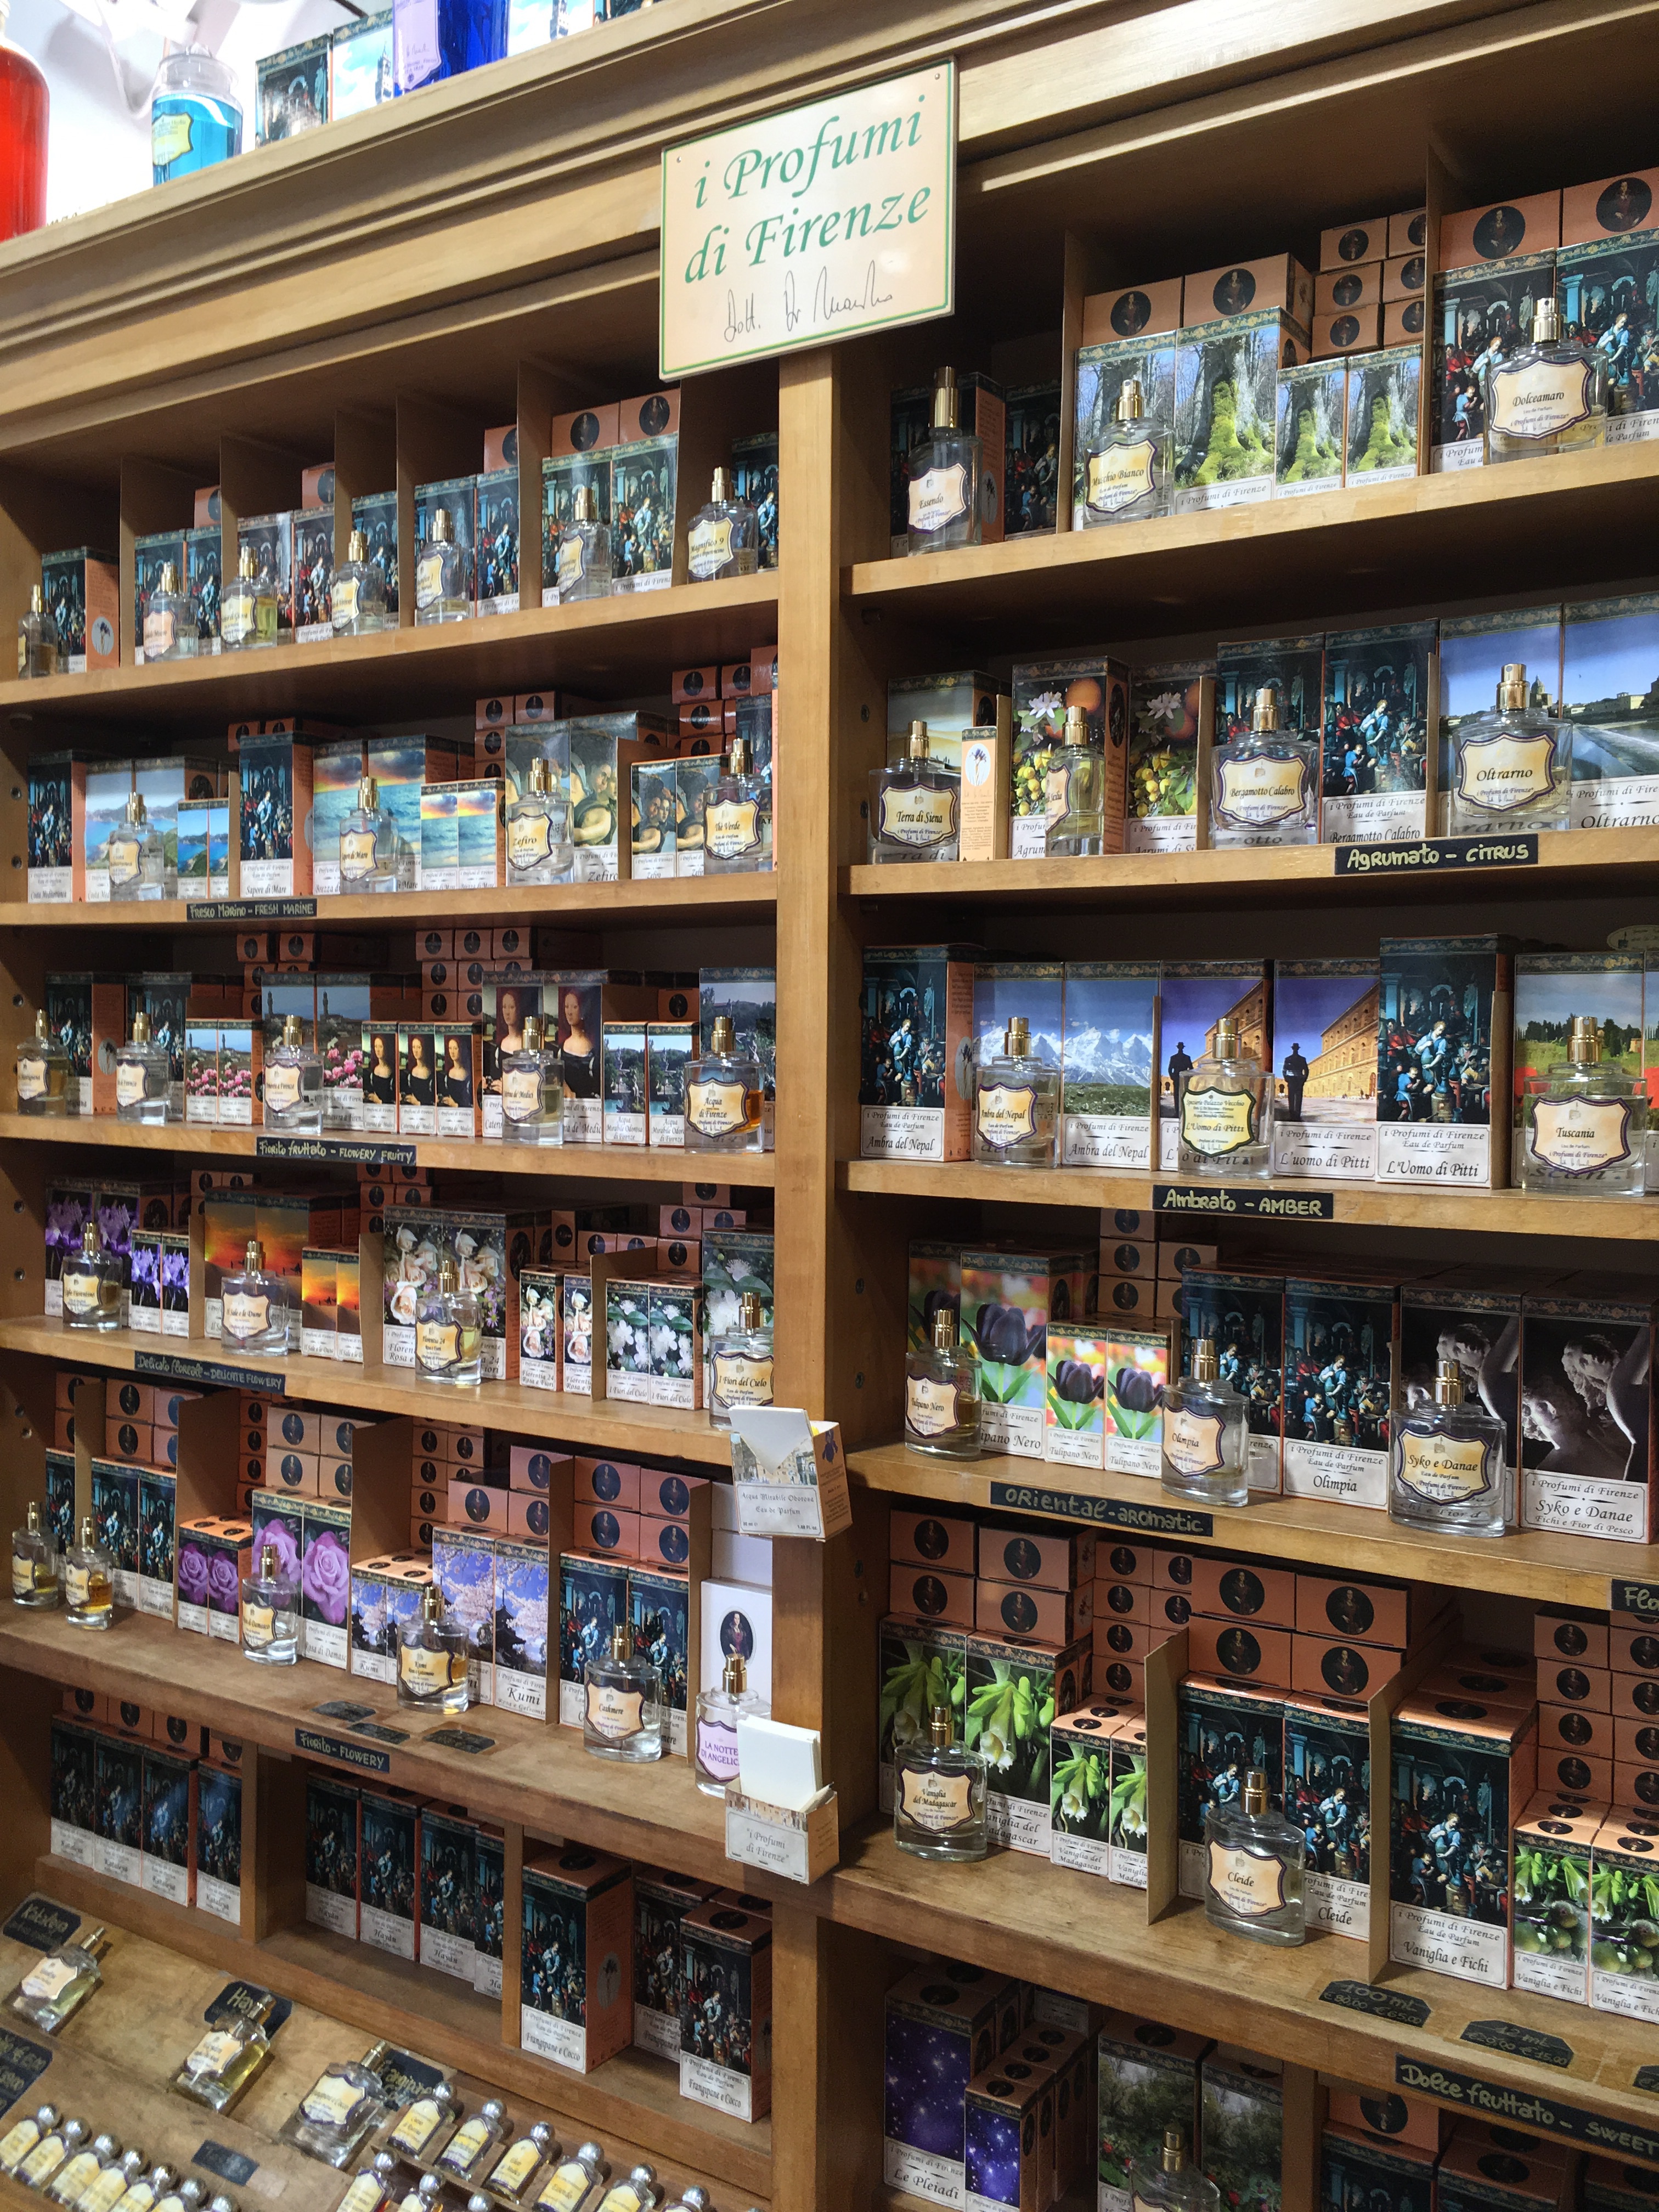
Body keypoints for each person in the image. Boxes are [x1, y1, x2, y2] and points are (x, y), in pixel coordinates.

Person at [1281, 1041, 1309, 1121]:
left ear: (1297, 1049)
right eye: (1295, 1049)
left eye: (1296, 1049)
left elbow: (1306, 1070)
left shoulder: (1302, 1059)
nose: (1295, 1050)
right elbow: (1284, 1070)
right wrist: (1286, 1078)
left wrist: (1304, 1079)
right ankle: (1292, 1115)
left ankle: (1297, 1115)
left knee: (1298, 1098)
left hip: (1299, 1079)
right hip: (1292, 1080)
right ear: (1294, 1049)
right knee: (1291, 1097)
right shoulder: (1288, 1059)